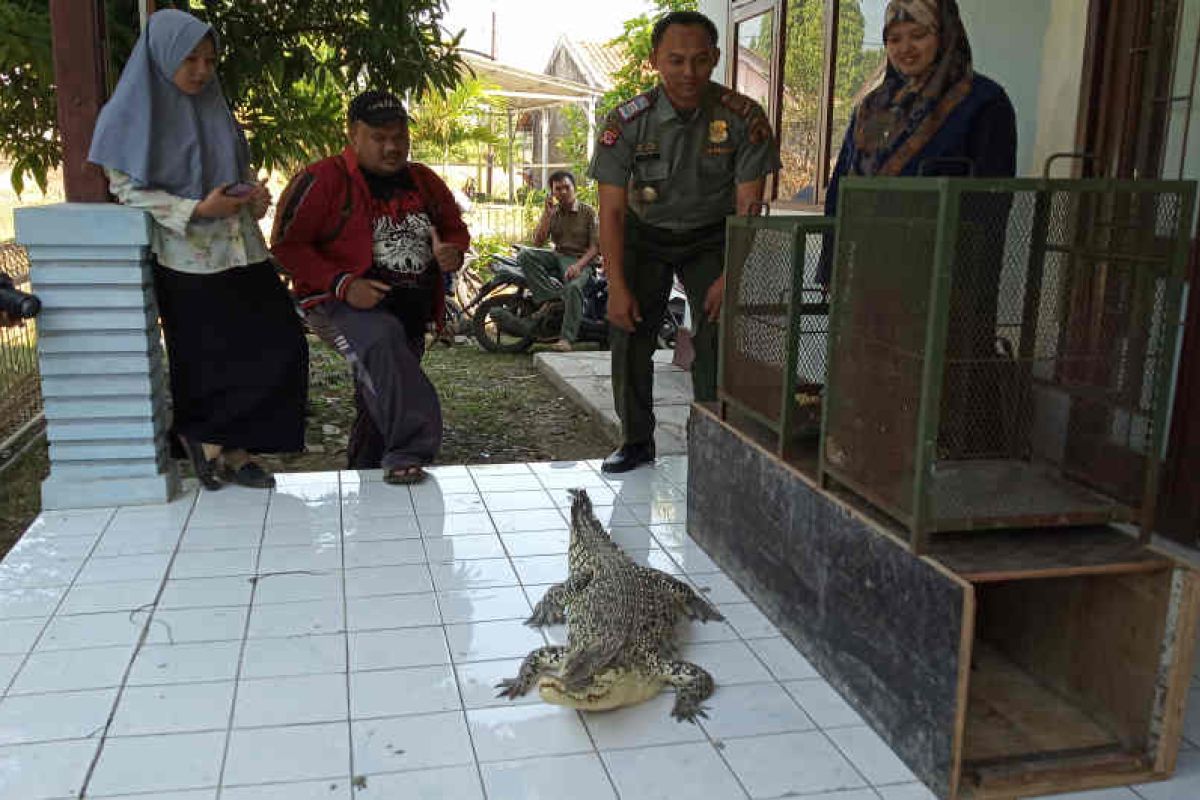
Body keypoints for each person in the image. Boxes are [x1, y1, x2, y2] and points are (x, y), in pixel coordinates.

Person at [88, 8, 308, 492]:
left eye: (209, 60)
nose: (202, 71)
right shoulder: (126, 114)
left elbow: (230, 173)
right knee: (207, 355)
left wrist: (251, 197)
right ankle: (223, 448)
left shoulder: (213, 104)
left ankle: (220, 441)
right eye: (189, 59)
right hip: (186, 253)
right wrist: (194, 209)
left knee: (281, 342)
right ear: (163, 57)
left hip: (240, 247)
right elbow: (126, 187)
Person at [587, 10, 781, 473]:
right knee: (629, 328)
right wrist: (615, 284)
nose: (688, 73)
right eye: (675, 61)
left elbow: (749, 210)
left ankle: (714, 442)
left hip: (712, 236)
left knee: (716, 330)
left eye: (699, 60)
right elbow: (611, 211)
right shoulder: (627, 122)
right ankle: (635, 440)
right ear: (655, 60)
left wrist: (730, 276)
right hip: (643, 234)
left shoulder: (743, 118)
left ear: (715, 58)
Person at [822, 0, 1017, 456]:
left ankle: (945, 463)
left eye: (919, 35)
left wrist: (966, 271)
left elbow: (992, 198)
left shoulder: (982, 102)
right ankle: (876, 456)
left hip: (947, 270)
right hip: (874, 267)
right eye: (894, 38)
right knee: (873, 358)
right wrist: (832, 264)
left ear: (945, 35)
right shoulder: (872, 108)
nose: (905, 48)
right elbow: (841, 190)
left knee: (945, 365)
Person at [272, 90, 470, 485]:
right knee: (382, 346)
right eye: (379, 138)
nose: (392, 146)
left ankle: (364, 477)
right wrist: (343, 284)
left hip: (409, 308)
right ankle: (409, 450)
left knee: (380, 391)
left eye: (399, 136)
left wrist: (453, 252)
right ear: (353, 134)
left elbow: (452, 228)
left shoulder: (424, 181)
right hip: (338, 305)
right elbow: (286, 246)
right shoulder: (322, 179)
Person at [496, 170, 600, 351]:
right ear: (553, 193)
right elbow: (537, 241)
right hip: (557, 256)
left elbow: (595, 247)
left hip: (579, 260)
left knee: (574, 287)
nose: (563, 192)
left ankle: (567, 339)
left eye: (567, 187)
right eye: (558, 189)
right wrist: (547, 216)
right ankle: (549, 298)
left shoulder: (588, 212)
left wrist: (578, 266)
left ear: (574, 189)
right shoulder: (554, 212)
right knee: (525, 254)